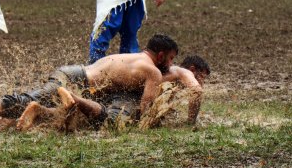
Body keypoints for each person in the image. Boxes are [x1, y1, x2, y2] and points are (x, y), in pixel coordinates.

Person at [0, 34, 179, 131]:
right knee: (107, 123)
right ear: (160, 56)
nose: (169, 65)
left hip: (72, 74)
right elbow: (148, 109)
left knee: (30, 100)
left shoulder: (132, 58)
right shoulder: (153, 72)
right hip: (77, 82)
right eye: (169, 59)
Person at [20, 55, 210, 131]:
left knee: (83, 119)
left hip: (112, 91)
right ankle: (53, 106)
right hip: (121, 97)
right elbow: (196, 91)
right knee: (108, 125)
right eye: (202, 76)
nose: (201, 82)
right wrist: (190, 122)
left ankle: (37, 112)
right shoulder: (182, 72)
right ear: (193, 69)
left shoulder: (168, 78)